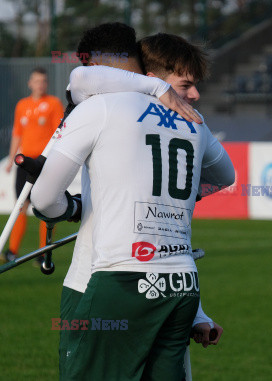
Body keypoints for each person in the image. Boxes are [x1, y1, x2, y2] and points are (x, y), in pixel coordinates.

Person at [40, 24, 230, 379]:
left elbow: (44, 199)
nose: (195, 95)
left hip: (107, 279)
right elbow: (227, 178)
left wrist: (66, 208)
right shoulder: (191, 123)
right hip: (172, 286)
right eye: (185, 84)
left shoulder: (106, 108)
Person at [1, 67, 63, 264]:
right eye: (36, 81)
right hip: (25, 162)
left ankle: (43, 252)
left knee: (44, 206)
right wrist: (11, 159)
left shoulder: (53, 103)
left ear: (46, 83)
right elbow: (17, 133)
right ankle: (12, 251)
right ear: (30, 83)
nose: (40, 84)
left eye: (43, 81)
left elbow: (60, 132)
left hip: (44, 163)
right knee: (20, 205)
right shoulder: (22, 105)